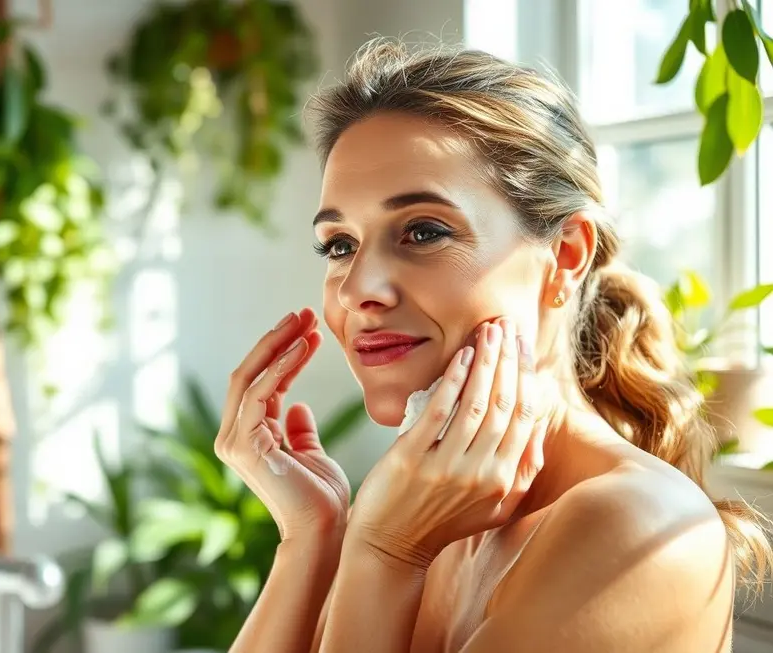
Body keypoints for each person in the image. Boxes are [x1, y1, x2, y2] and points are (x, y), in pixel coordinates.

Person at [213, 38, 770, 653]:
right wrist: (309, 539)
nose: (356, 290)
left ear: (565, 255)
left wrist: (386, 554)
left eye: (423, 231)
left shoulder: (640, 527)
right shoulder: (437, 505)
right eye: (339, 244)